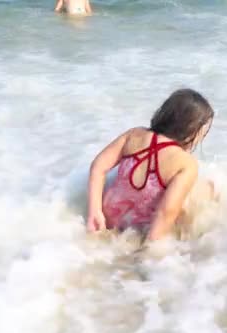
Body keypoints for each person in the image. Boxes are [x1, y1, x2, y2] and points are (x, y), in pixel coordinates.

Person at [86, 89, 215, 241]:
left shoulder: (134, 135)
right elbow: (166, 212)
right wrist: (149, 250)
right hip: (138, 232)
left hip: (109, 220)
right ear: (192, 129)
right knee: (209, 190)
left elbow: (98, 167)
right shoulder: (185, 163)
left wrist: (95, 211)